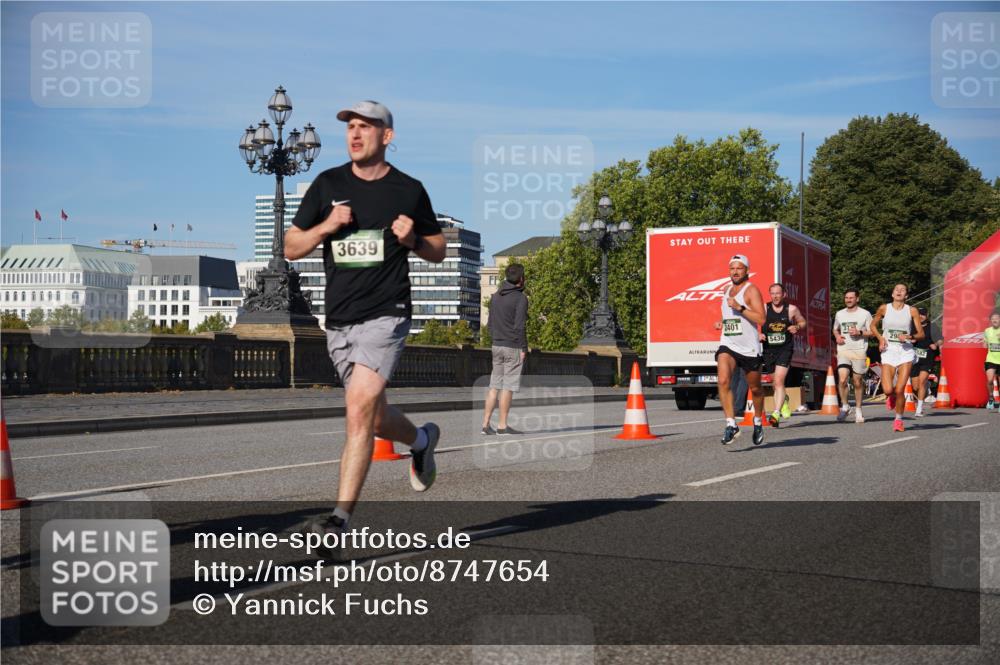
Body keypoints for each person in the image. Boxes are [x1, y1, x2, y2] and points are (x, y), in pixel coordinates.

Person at [283, 100, 447, 549]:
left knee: (357, 409)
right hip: (339, 320)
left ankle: (338, 522)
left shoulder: (408, 189)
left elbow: (438, 249)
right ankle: (420, 440)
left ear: (386, 137)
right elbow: (291, 247)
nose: (355, 134)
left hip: (387, 314)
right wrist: (326, 226)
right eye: (350, 127)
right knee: (374, 419)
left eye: (366, 127)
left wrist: (412, 239)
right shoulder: (328, 184)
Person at [714, 254, 766, 446]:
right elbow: (731, 317)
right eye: (732, 268)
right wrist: (723, 323)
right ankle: (731, 424)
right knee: (723, 379)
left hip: (749, 348)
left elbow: (761, 319)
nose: (735, 272)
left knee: (756, 389)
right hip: (729, 343)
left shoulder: (751, 290)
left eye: (739, 268)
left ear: (747, 270)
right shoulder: (727, 290)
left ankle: (758, 421)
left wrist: (740, 307)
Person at [482, 263, 529, 435]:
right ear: (521, 279)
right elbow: (520, 326)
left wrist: (495, 339)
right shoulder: (521, 298)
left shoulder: (495, 296)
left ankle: (485, 425)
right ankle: (502, 425)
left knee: (494, 386)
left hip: (497, 345)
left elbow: (490, 324)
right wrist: (524, 348)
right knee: (508, 387)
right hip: (513, 346)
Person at [871, 283, 924, 432]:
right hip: (889, 351)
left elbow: (921, 334)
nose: (899, 291)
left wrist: (909, 336)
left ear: (906, 295)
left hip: (905, 351)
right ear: (892, 294)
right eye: (896, 289)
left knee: (900, 389)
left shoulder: (912, 310)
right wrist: (881, 338)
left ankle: (898, 420)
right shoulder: (884, 308)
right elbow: (873, 326)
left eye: (903, 290)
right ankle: (891, 397)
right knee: (888, 390)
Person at [759, 283, 806, 427]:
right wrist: (758, 334)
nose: (775, 296)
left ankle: (776, 413)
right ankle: (784, 400)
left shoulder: (791, 309)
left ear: (784, 294)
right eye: (772, 293)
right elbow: (752, 322)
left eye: (778, 293)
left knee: (779, 381)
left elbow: (803, 322)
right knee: (775, 383)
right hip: (768, 350)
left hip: (785, 349)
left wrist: (796, 326)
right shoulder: (764, 309)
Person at [833, 289, 873, 424]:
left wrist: (860, 332)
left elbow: (872, 332)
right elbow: (835, 329)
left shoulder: (865, 314)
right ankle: (845, 406)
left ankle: (858, 409)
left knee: (857, 382)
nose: (848, 300)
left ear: (857, 299)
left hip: (859, 351)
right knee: (843, 379)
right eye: (846, 298)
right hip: (843, 349)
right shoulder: (839, 314)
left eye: (851, 298)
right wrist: (837, 336)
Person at [910, 307, 942, 417]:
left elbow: (940, 339)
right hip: (914, 358)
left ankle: (919, 408)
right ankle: (925, 387)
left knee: (921, 381)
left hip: (927, 357)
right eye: (919, 314)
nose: (920, 316)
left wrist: (936, 345)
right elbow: (906, 337)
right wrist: (910, 339)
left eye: (923, 314)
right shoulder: (912, 325)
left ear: (927, 315)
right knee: (915, 387)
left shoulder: (932, 326)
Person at [985, 310, 1000, 411]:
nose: (995, 320)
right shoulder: (987, 331)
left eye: (997, 318)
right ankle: (991, 398)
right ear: (990, 320)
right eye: (993, 319)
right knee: (990, 380)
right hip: (990, 359)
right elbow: (985, 343)